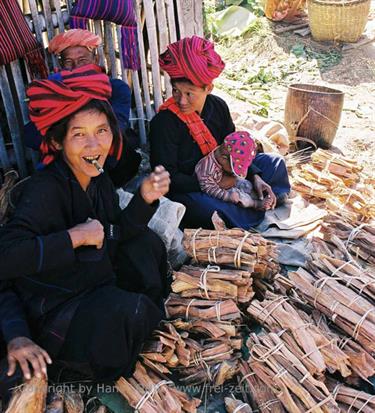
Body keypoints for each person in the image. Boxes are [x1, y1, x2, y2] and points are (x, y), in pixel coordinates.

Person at [0, 69, 170, 400]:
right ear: (57, 142)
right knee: (129, 315)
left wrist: (145, 198)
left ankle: (132, 313)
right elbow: (5, 258)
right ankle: (74, 365)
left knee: (147, 245)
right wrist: (74, 237)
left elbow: (114, 233)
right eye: (79, 135)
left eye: (102, 131)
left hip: (90, 279)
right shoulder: (44, 191)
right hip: (56, 307)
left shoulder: (98, 179)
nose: (95, 144)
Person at [150, 35, 291, 229]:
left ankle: (258, 200)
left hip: (230, 174)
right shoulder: (163, 123)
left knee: (274, 162)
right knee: (204, 209)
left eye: (189, 93)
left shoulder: (219, 107)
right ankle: (254, 207)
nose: (181, 101)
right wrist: (213, 184)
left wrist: (254, 177)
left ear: (208, 88)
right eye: (176, 91)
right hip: (194, 186)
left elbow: (235, 150)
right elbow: (166, 176)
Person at [24, 29, 140, 188]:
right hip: (67, 165)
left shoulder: (116, 89)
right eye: (68, 62)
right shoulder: (52, 91)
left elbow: (115, 129)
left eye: (83, 60)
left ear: (96, 59)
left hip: (107, 162)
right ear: (60, 65)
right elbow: (31, 135)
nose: (76, 67)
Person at [195, 131, 273, 210]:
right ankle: (257, 204)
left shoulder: (224, 156)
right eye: (233, 168)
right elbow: (209, 188)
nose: (234, 171)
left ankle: (261, 196)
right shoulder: (207, 169)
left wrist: (235, 176)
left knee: (247, 185)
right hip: (221, 188)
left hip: (227, 179)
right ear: (224, 159)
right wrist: (227, 196)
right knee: (240, 197)